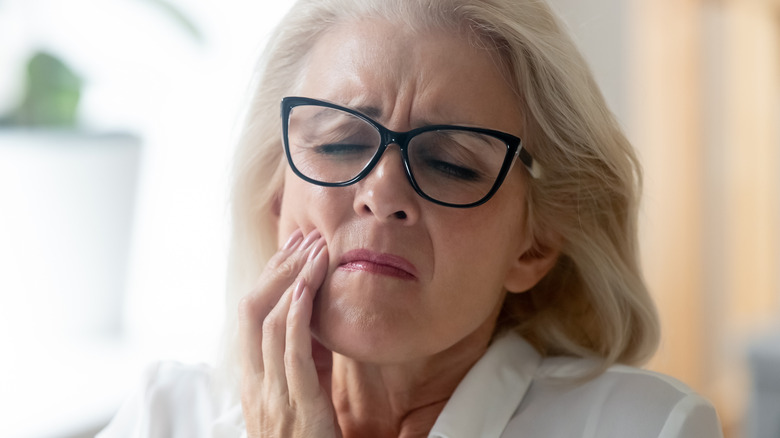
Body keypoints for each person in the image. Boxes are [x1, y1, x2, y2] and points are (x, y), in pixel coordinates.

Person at [98, 0, 724, 436]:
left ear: (534, 246)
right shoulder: (165, 414)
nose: (381, 192)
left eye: (450, 163)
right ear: (275, 193)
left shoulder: (643, 427)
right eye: (339, 143)